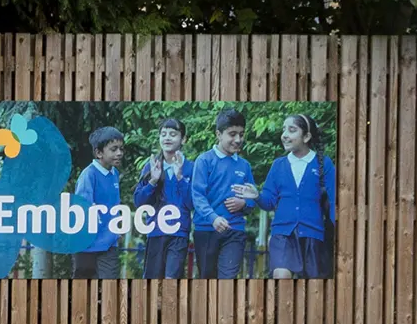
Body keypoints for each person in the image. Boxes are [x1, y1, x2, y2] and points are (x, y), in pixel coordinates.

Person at [255, 112, 336, 279]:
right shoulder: (278, 165)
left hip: (313, 234)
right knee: (281, 275)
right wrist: (256, 196)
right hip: (283, 234)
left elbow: (334, 201)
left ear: (306, 136)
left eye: (291, 130)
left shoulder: (323, 164)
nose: (284, 135)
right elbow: (269, 202)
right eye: (284, 130)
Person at [191, 108, 257, 279]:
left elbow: (252, 198)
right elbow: (197, 196)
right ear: (218, 134)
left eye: (241, 134)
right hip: (206, 230)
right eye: (232, 134)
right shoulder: (204, 161)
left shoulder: (245, 166)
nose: (238, 139)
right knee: (207, 278)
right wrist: (213, 218)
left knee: (228, 278)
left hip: (235, 230)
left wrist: (245, 204)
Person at [133, 117, 193, 279]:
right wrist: (153, 180)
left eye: (173, 134)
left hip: (179, 233)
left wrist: (180, 177)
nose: (167, 138)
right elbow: (139, 202)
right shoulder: (151, 166)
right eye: (163, 134)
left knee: (171, 280)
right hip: (155, 231)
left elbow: (192, 203)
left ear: (183, 139)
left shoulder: (190, 167)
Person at [72, 126, 126, 279]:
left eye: (121, 149)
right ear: (99, 153)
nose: (119, 153)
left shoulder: (114, 173)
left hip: (109, 244)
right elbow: (83, 207)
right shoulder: (88, 175)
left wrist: (117, 227)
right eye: (114, 149)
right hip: (86, 245)